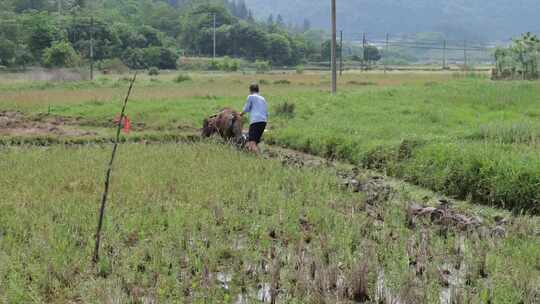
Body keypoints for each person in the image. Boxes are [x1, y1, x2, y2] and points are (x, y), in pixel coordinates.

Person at [240, 84, 268, 154]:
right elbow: (266, 112)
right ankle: (253, 155)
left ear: (250, 90)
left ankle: (259, 159)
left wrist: (240, 114)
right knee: (253, 142)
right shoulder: (263, 99)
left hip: (255, 122)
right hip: (263, 122)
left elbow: (246, 109)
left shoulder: (250, 97)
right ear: (258, 90)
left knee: (252, 143)